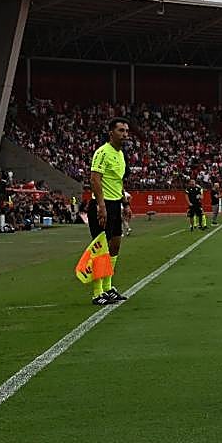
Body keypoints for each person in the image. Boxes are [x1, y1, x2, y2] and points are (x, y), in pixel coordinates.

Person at [89, 118, 130, 306]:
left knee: (115, 245)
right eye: (121, 130)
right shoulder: (102, 152)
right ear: (111, 133)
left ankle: (108, 287)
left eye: (126, 131)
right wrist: (101, 206)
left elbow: (118, 181)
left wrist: (125, 203)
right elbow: (95, 179)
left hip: (115, 205)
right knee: (101, 249)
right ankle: (97, 292)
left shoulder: (121, 155)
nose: (125, 134)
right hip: (102, 205)